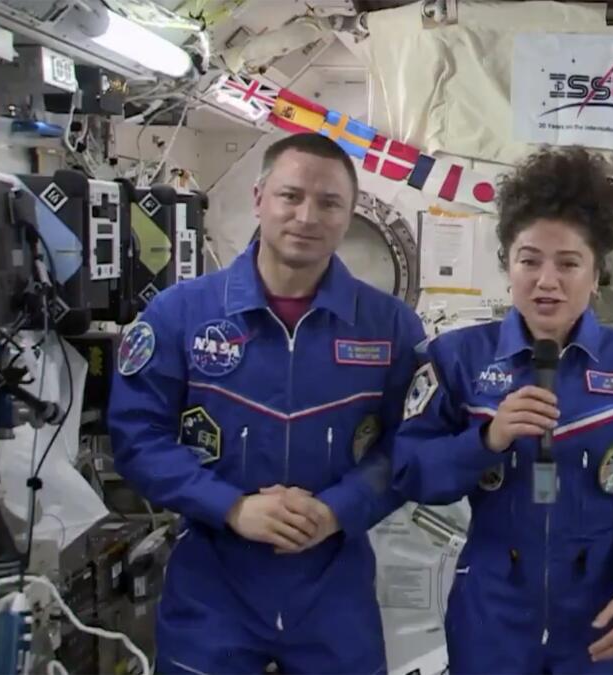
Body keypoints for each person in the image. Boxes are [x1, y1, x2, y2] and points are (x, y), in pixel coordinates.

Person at [109, 132, 424, 674]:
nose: (307, 216)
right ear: (259, 199)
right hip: (212, 589)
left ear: (349, 217)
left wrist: (337, 510)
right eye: (290, 196)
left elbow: (412, 443)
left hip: (333, 588)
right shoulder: (180, 316)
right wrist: (231, 507)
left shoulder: (391, 327)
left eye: (329, 203)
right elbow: (138, 438)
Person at [392, 146, 613, 675]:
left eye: (568, 263)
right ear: (506, 264)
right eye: (529, 260)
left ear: (596, 271)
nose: (547, 280)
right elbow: (409, 470)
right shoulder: (458, 358)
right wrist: (486, 441)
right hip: (491, 603)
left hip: (601, 605)